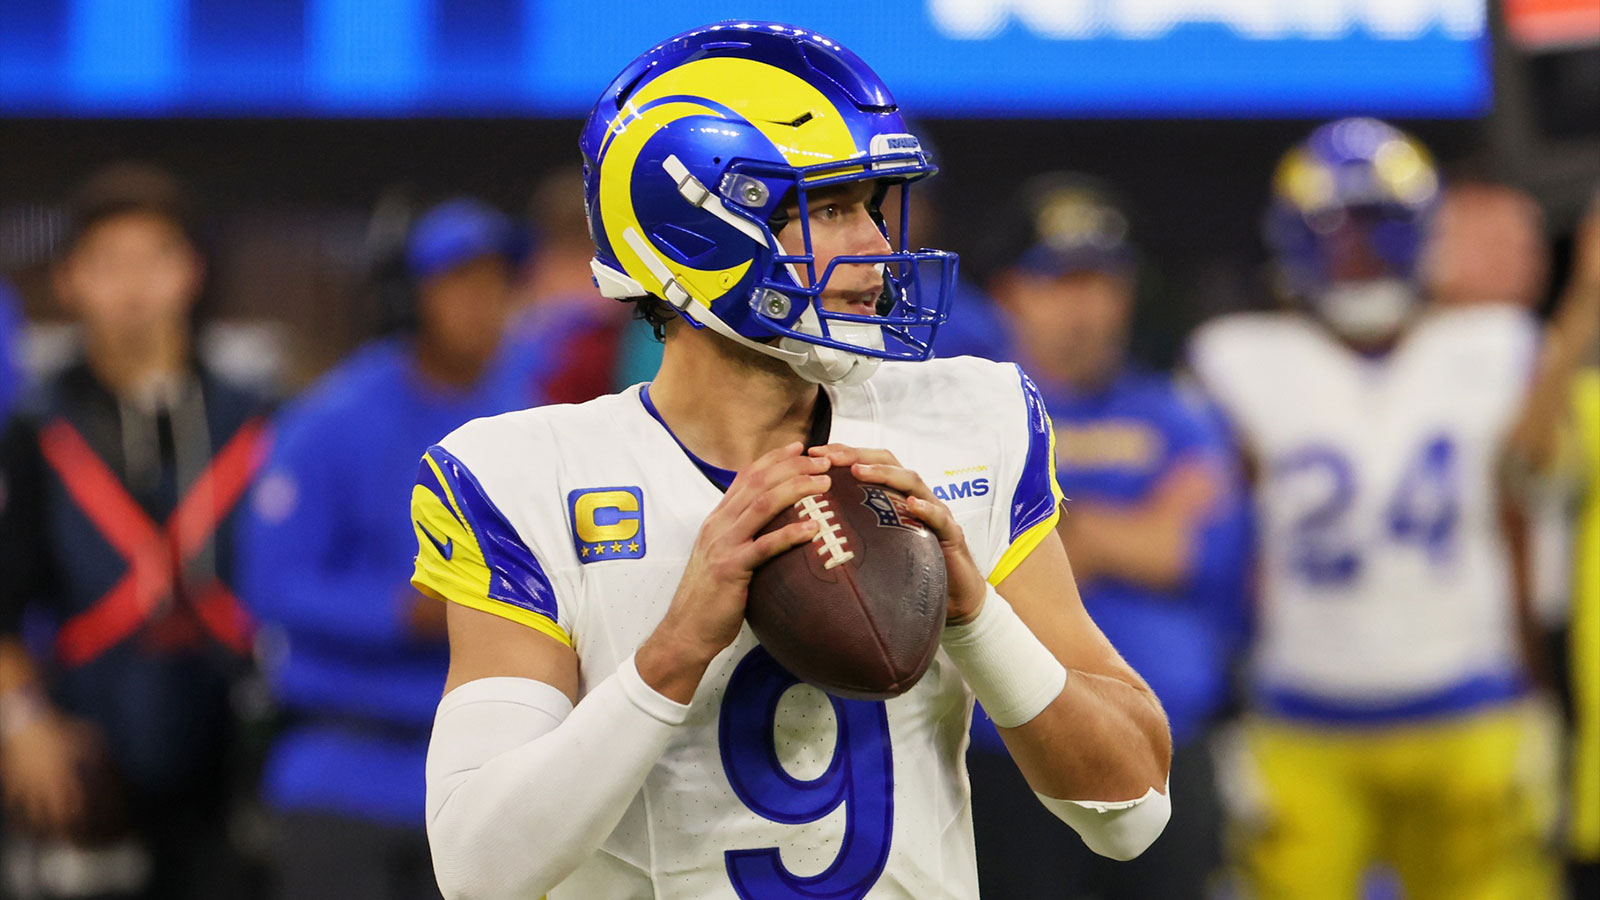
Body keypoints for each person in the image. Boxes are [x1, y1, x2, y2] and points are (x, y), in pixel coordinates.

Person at [412, 22, 1172, 900]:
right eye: (830, 208)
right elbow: (479, 870)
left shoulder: (969, 418)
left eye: (875, 207)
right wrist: (673, 652)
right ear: (690, 225)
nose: (877, 250)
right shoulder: (525, 477)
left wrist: (975, 616)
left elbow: (1131, 811)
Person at [1188, 118, 1585, 900]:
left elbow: (1535, 488)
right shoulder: (1234, 360)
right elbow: (1215, 544)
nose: (1358, 255)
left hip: (1472, 704)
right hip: (1299, 716)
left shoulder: (1498, 344)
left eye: (1379, 231)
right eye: (1335, 234)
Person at [239, 197, 529, 900]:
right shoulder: (331, 417)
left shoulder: (532, 412)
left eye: (495, 284)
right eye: (457, 283)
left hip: (490, 777)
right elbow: (271, 585)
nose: (480, 304)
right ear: (409, 297)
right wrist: (406, 612)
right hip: (345, 765)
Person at [968, 176, 1249, 900]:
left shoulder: (1179, 412)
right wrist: (1139, 523)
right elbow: (971, 568)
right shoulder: (972, 416)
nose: (1085, 308)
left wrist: (1050, 530)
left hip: (1167, 748)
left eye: (1102, 283)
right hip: (1010, 761)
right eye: (1060, 281)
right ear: (1010, 293)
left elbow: (1204, 553)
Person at [0, 163, 266, 900]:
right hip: (90, 749)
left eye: (154, 259)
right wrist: (23, 724)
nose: (133, 286)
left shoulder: (255, 417)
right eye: (108, 264)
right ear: (70, 282)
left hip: (230, 752)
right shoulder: (34, 428)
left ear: (191, 273)